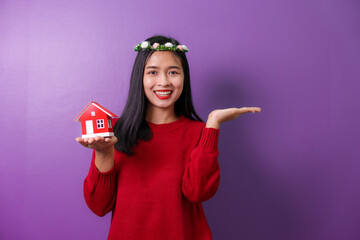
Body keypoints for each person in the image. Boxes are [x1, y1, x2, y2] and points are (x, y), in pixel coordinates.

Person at [76, 35, 261, 240]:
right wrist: (103, 152)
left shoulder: (199, 132)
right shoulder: (114, 132)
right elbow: (99, 206)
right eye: (152, 72)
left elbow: (198, 192)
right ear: (140, 78)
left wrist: (213, 123)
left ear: (184, 77)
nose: (163, 82)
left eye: (173, 72)